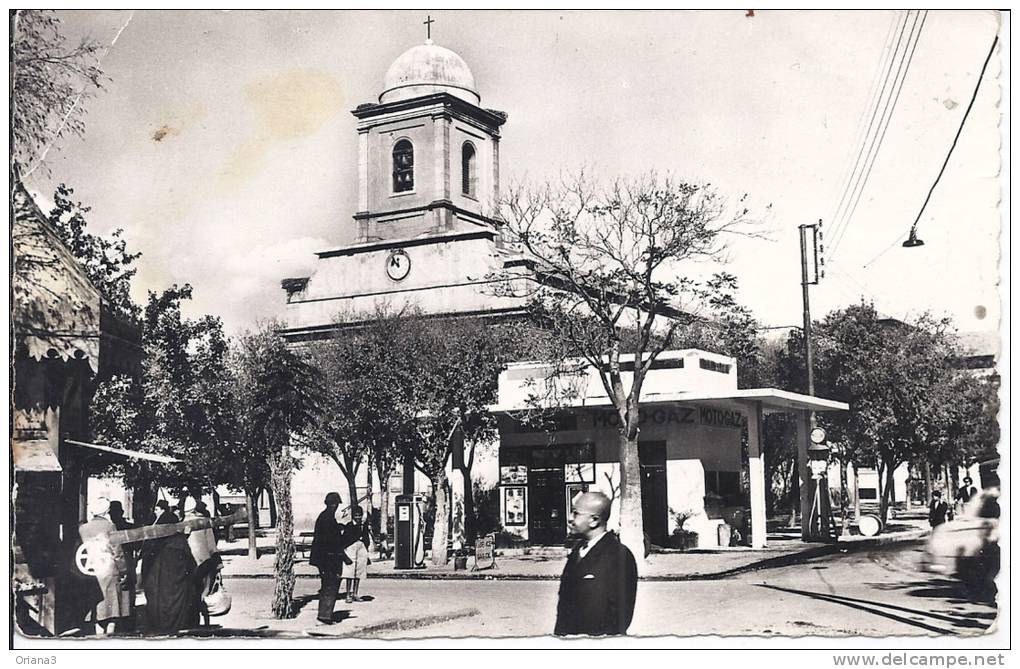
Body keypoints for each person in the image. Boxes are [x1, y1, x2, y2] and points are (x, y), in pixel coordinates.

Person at [554, 492, 638, 636]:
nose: (569, 518)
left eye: (576, 514)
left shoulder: (618, 556)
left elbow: (619, 617)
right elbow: (564, 608)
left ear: (594, 520)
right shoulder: (577, 552)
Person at [140, 500, 201, 634]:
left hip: (158, 588)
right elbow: (191, 565)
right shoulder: (180, 541)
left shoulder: (154, 543)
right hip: (176, 589)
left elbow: (146, 563)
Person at [78, 497, 132, 635]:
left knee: (97, 604)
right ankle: (109, 634)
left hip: (90, 569)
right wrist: (123, 569)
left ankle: (98, 633)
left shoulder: (83, 528)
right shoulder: (110, 526)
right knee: (111, 605)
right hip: (108, 569)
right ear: (106, 510)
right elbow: (117, 551)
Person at [309, 492, 350, 625]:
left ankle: (325, 614)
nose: (336, 507)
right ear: (333, 504)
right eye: (336, 504)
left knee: (327, 585)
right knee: (330, 586)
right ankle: (325, 616)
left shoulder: (325, 517)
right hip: (329, 559)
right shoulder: (328, 519)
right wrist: (345, 558)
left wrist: (338, 528)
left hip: (323, 558)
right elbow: (333, 542)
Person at [183, 498, 221, 625]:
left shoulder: (183, 523)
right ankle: (206, 622)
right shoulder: (204, 522)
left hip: (190, 564)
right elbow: (211, 545)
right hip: (205, 562)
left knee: (191, 594)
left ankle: (192, 621)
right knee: (204, 592)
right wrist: (218, 564)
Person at [107, 501, 138, 632]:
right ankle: (127, 622)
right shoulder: (130, 527)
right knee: (127, 593)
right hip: (128, 562)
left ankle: (117, 621)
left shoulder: (110, 528)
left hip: (112, 564)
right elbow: (137, 545)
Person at [340, 506, 372, 603]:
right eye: (356, 515)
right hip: (351, 548)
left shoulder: (363, 526)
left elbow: (367, 538)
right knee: (350, 571)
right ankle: (348, 594)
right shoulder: (349, 526)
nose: (358, 517)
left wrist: (365, 547)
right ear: (353, 516)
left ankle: (355, 593)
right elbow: (345, 539)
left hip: (361, 548)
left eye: (360, 515)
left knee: (359, 571)